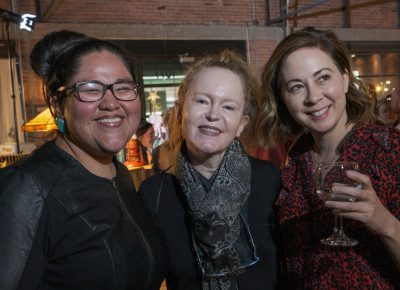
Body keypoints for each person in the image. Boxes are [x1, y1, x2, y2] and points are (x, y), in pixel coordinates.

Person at [0, 30, 167, 290]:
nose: (111, 103)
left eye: (123, 88)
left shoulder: (119, 175)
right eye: (90, 89)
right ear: (57, 105)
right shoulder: (27, 188)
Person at [259, 26, 400, 288]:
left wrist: (386, 224)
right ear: (283, 99)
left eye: (323, 78)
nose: (313, 97)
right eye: (297, 86)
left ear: (345, 78)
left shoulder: (389, 149)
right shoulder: (294, 161)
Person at [139, 50, 280, 290]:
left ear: (241, 125)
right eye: (202, 101)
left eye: (229, 107)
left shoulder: (270, 181)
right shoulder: (155, 194)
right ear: (180, 112)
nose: (213, 115)